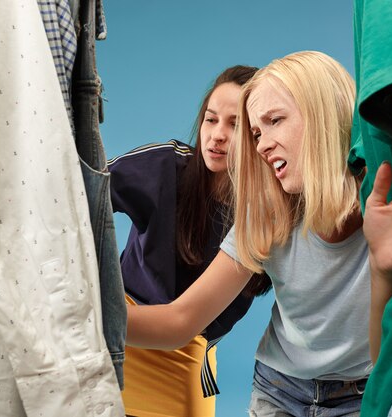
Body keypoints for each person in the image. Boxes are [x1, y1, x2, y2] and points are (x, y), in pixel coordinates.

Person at [126, 51, 392, 416]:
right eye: (256, 133)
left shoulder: (386, 201)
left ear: (323, 115)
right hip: (277, 390)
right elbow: (179, 322)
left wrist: (382, 264)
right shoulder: (265, 212)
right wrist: (86, 317)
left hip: (360, 396)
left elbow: (384, 357)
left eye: (275, 121)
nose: (262, 145)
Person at [107, 65, 271, 417]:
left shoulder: (266, 215)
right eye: (211, 120)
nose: (217, 135)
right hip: (116, 333)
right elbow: (81, 192)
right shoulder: (167, 166)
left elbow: (180, 325)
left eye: (235, 125)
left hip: (185, 353)